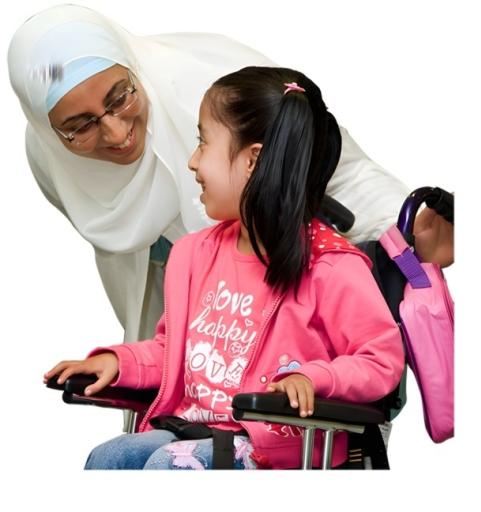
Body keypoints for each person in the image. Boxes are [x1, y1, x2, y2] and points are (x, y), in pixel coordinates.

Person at [8, 4, 451, 376]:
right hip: (193, 299)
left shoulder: (213, 87)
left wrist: (405, 232)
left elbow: (334, 167)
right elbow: (127, 249)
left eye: (120, 96)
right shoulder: (50, 158)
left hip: (286, 293)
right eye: (80, 126)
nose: (115, 131)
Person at [44, 66, 405, 469]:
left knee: (170, 465)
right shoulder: (193, 254)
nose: (192, 162)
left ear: (254, 160)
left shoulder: (330, 265)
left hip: (278, 446)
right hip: (193, 429)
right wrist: (119, 362)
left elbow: (380, 361)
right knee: (111, 458)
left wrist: (315, 378)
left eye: (203, 142)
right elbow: (172, 351)